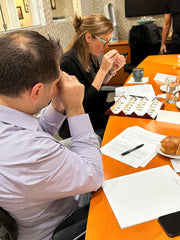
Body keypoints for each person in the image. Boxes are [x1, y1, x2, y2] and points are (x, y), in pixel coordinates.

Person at [0, 30, 104, 240]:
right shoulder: (30, 151)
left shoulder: (10, 119)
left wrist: (57, 106)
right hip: (64, 223)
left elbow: (37, 134)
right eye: (57, 80)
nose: (60, 84)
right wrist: (75, 108)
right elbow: (94, 176)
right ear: (37, 91)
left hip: (40, 199)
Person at [59, 13, 126, 139]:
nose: (107, 46)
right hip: (79, 123)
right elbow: (83, 105)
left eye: (109, 41)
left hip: (94, 110)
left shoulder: (90, 55)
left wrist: (111, 71)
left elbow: (97, 90)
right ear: (88, 37)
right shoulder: (67, 63)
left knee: (126, 108)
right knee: (122, 122)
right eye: (105, 41)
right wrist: (102, 70)